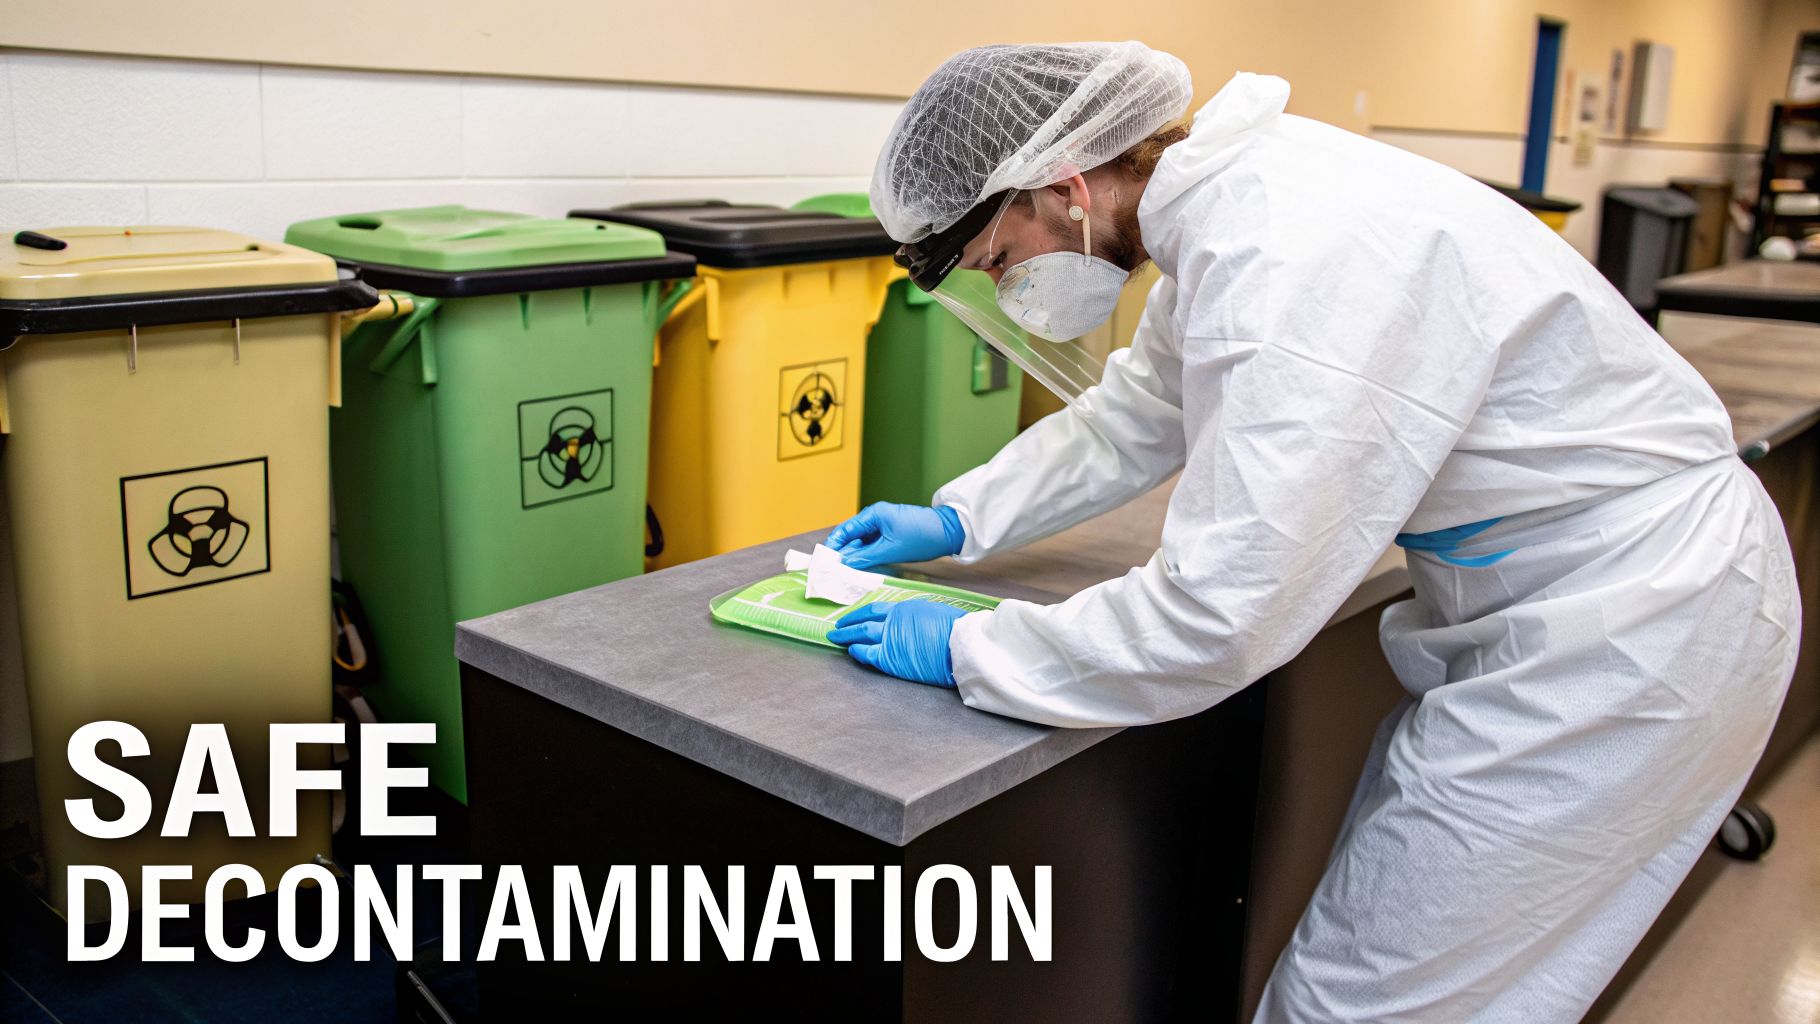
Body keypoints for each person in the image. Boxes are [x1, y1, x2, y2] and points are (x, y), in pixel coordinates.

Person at [823, 41, 1801, 1023]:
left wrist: (972, 647)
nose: (1010, 289)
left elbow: (1218, 613)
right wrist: (961, 514)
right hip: (1581, 605)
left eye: (1000, 259)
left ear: (1063, 186)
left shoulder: (1282, 256)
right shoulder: (1228, 210)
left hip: (1629, 629)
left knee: (1355, 1005)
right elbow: (1136, 416)